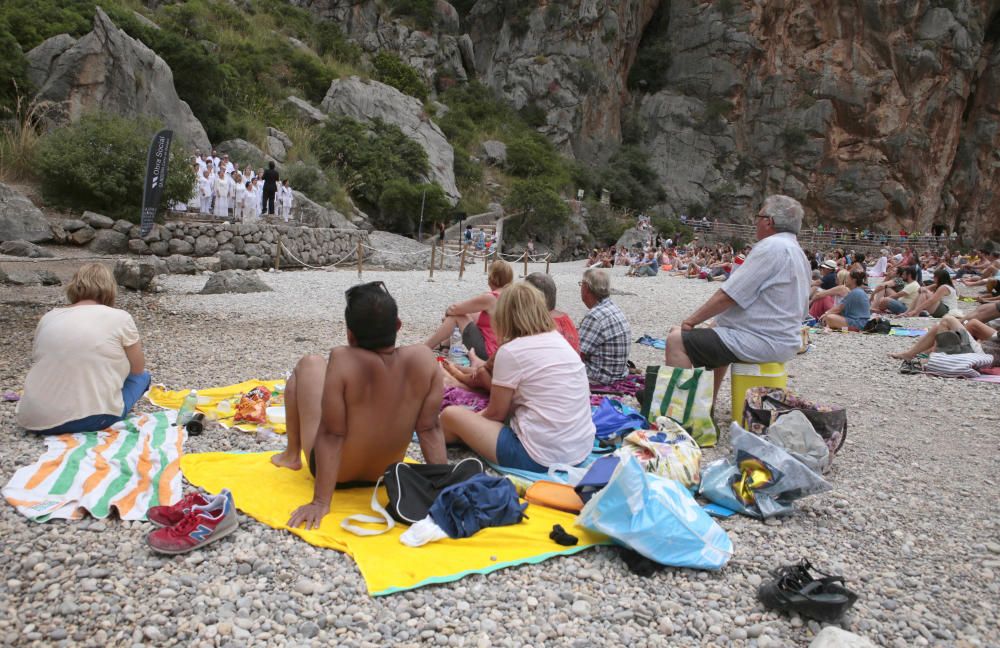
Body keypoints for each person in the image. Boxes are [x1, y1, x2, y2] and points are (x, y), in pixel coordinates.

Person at [272, 281, 447, 530]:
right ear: (398, 325)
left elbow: (332, 434)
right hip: (385, 473)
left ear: (350, 334)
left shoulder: (343, 360)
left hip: (337, 473)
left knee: (309, 364)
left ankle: (291, 455)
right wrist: (443, 489)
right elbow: (429, 429)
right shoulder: (423, 359)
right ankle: (290, 455)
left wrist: (321, 501)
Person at [664, 195, 811, 398]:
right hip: (784, 338)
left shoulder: (771, 247)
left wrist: (690, 321)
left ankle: (679, 411)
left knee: (676, 339)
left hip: (764, 340)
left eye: (758, 217)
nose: (755, 222)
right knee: (717, 330)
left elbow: (728, 295)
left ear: (769, 221)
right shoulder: (797, 252)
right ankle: (706, 404)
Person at [440, 283, 594, 472]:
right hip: (579, 449)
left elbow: (496, 414)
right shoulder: (558, 341)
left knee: (450, 416)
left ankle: (444, 434)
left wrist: (468, 421)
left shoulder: (512, 351)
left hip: (539, 457)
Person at [16, 264, 151, 434]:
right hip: (89, 419)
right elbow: (137, 369)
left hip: (32, 418)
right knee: (143, 377)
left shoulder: (48, 317)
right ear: (110, 289)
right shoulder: (120, 318)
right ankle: (104, 405)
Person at [424, 260, 514, 361]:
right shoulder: (511, 296)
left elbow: (454, 309)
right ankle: (445, 345)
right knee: (471, 315)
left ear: (492, 277)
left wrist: (448, 315)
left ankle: (424, 348)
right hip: (503, 351)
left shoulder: (491, 298)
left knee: (457, 317)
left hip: (489, 352)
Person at [578, 268, 631, 385]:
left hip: (601, 377)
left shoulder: (595, 316)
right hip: (618, 373)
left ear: (586, 288)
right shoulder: (613, 308)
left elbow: (577, 354)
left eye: (581, 284)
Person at [890, 314, 999, 360]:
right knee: (938, 327)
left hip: (985, 355)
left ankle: (934, 358)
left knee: (947, 320)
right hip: (989, 350)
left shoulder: (944, 287)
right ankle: (911, 354)